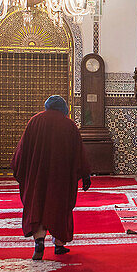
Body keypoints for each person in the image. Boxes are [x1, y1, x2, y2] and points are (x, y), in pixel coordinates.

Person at [11, 95, 91, 260]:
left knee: (38, 205)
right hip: (60, 177)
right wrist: (85, 174)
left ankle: (39, 241)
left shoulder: (34, 121)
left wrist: (19, 169)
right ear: (64, 108)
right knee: (59, 208)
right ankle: (59, 244)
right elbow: (79, 153)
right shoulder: (69, 124)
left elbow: (22, 150)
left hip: (37, 175)